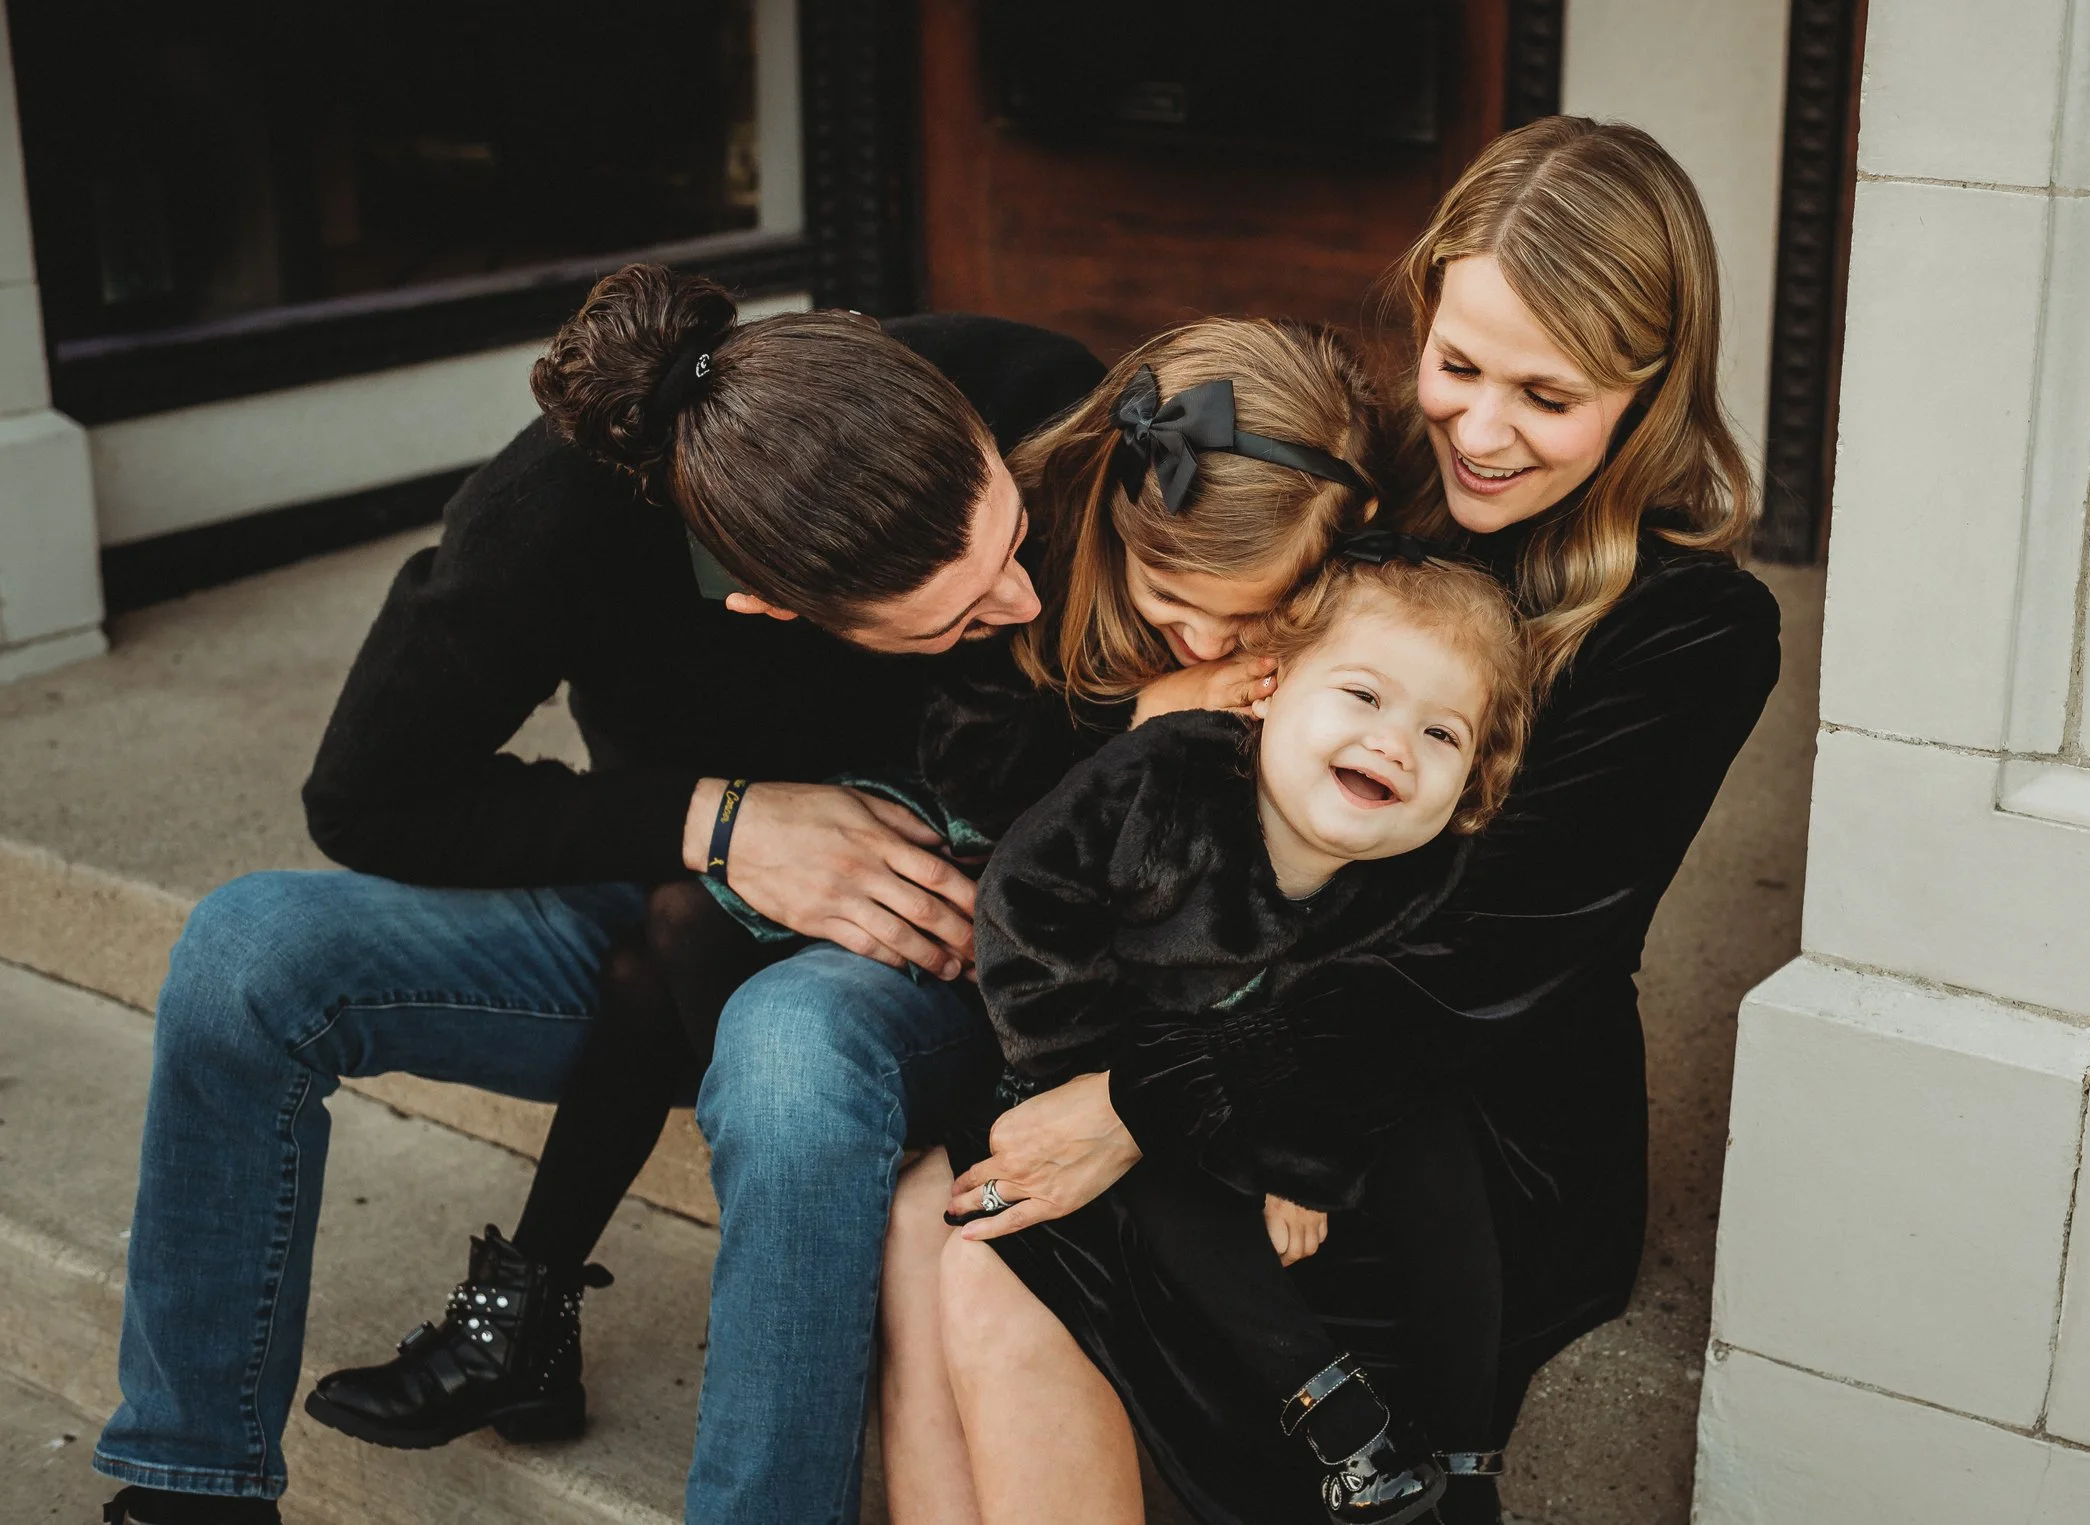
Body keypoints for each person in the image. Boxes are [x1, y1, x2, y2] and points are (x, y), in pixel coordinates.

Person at [92, 262, 1104, 1525]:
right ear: (773, 607)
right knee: (246, 948)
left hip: (923, 949)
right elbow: (368, 795)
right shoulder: (551, 520)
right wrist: (715, 820)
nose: (1018, 598)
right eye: (953, 619)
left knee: (785, 1054)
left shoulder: (1040, 397)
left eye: (1010, 546)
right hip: (671, 901)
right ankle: (193, 1485)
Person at [899, 114, 1784, 1525]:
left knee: (990, 1256)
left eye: (1547, 397)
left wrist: (1138, 1108)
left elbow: (1483, 962)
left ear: (1651, 390)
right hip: (1224, 1005)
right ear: (1421, 316)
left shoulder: (1695, 631)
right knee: (932, 1225)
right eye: (1457, 366)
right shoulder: (1360, 503)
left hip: (1456, 1123)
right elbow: (1136, 762)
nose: (1482, 432)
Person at [289, 318, 1380, 1458]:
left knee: (726, 988)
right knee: (683, 929)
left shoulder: (1185, 569)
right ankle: (545, 1296)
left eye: (1253, 610)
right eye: (1178, 593)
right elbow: (977, 749)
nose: (1212, 633)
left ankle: (537, 1298)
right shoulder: (1051, 526)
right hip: (958, 863)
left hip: (1053, 962)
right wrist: (1126, 737)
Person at [967, 553, 1535, 1525]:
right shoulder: (1165, 781)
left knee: (1435, 1127)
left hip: (1268, 1077)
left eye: (1439, 732)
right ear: (1270, 687)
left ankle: (1464, 1452)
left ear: (1474, 777)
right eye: (1362, 694)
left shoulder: (1423, 875)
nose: (1392, 743)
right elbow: (1025, 905)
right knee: (1160, 1166)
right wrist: (1091, 1074)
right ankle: (1342, 1421)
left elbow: (1365, 1034)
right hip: (1097, 1061)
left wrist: (1296, 1153)